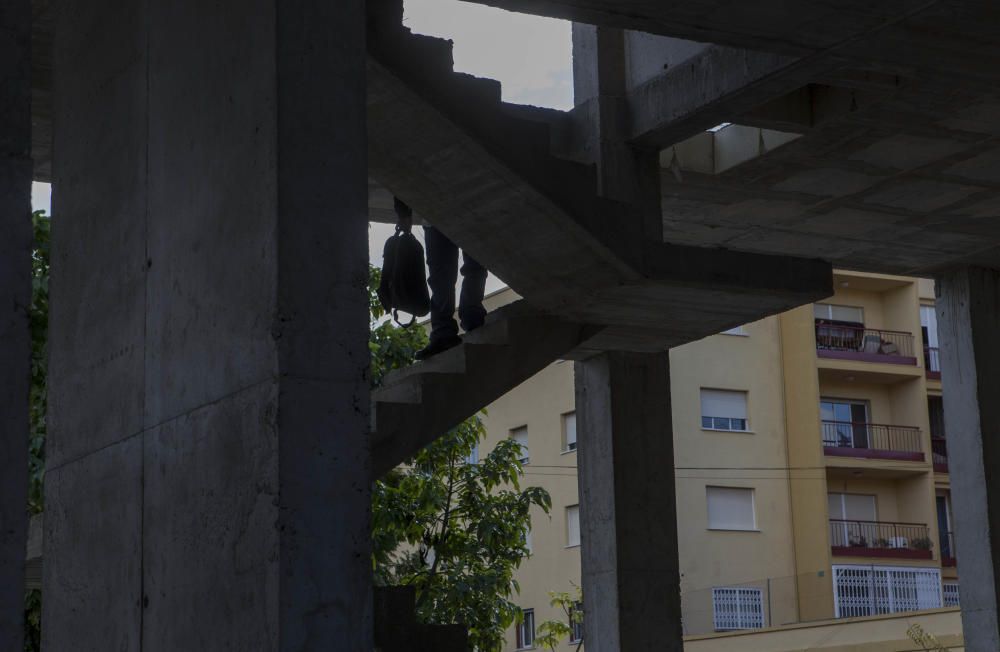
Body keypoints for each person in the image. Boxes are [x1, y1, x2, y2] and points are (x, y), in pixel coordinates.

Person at [394, 198, 488, 360]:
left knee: (470, 267)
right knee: (445, 278)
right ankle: (447, 330)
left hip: (468, 207)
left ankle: (465, 321)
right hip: (435, 216)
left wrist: (404, 214)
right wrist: (403, 214)